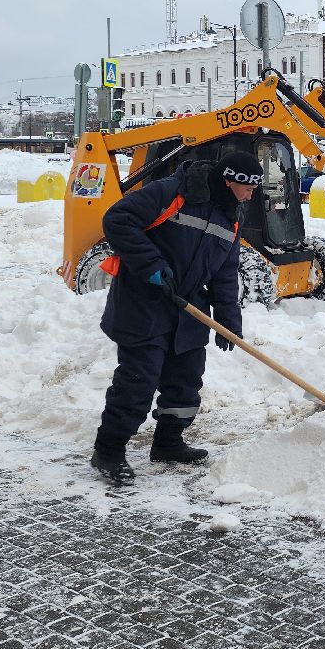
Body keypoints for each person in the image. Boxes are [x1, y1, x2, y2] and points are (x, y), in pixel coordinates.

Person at [89, 151, 257, 484]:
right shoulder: (172, 192)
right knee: (139, 378)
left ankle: (168, 442)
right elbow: (117, 220)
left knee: (186, 380)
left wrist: (228, 319)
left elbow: (225, 272)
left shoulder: (231, 217)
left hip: (189, 305)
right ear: (230, 181)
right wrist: (151, 266)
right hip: (144, 300)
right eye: (248, 187)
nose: (252, 194)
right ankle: (108, 451)